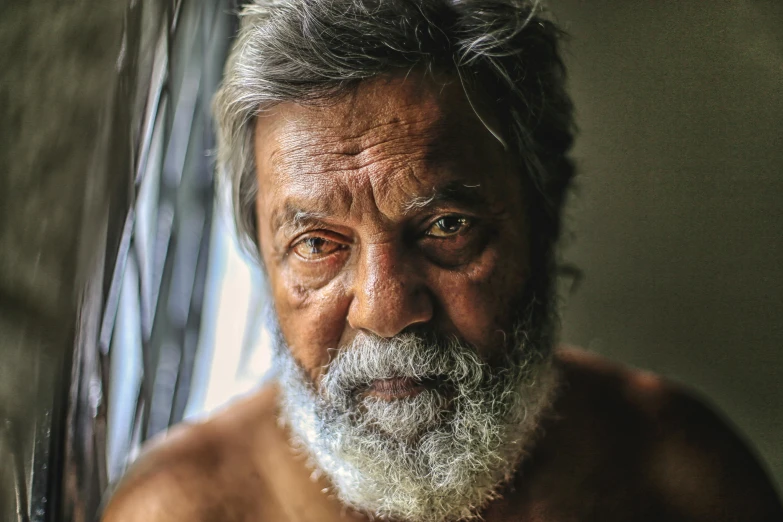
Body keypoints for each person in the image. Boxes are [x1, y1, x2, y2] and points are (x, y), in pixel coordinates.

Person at [101, 0, 783, 520]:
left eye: (445, 226)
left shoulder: (676, 478)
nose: (385, 309)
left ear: (542, 219)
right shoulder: (180, 509)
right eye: (316, 245)